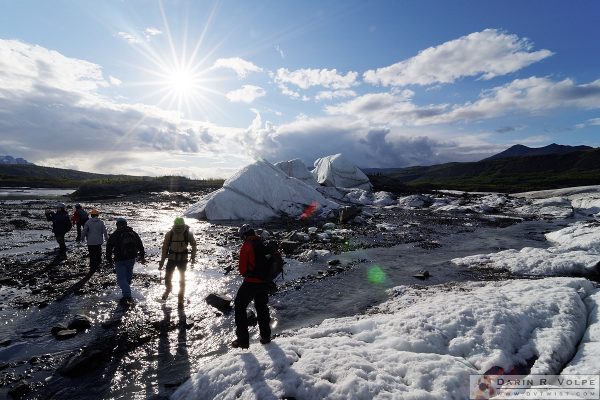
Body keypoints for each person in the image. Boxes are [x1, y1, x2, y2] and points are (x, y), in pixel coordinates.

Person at [232, 224, 272, 349]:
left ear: (244, 235)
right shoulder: (261, 241)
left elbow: (243, 270)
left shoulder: (247, 245)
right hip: (264, 282)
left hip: (251, 282)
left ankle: (242, 340)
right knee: (262, 308)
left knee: (239, 306)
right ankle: (265, 337)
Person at [159, 217, 197, 307]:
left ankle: (175, 295)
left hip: (177, 260)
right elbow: (194, 246)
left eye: (179, 226)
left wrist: (162, 262)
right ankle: (176, 296)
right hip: (178, 260)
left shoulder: (175, 233)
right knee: (179, 279)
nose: (178, 228)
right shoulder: (176, 234)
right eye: (177, 226)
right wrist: (192, 258)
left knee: (173, 278)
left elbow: (164, 249)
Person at [106, 218, 145, 304]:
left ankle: (127, 294)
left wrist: (109, 260)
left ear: (117, 225)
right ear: (126, 224)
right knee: (128, 273)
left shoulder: (115, 234)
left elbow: (108, 248)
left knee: (121, 278)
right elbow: (140, 244)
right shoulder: (133, 233)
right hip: (131, 258)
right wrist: (142, 256)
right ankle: (126, 288)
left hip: (119, 259)